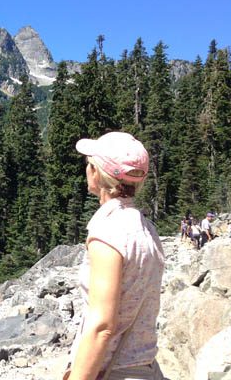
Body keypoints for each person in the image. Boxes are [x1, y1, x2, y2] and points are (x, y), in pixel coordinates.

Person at [66, 132, 165, 380]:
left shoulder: (108, 232)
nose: (87, 169)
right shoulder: (146, 228)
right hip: (146, 368)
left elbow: (102, 327)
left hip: (114, 372)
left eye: (89, 164)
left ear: (97, 173)